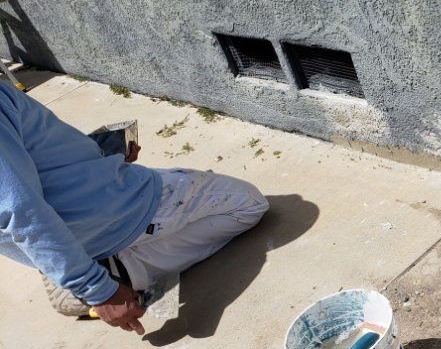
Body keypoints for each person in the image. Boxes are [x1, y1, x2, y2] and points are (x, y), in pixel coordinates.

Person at [0, 81, 269, 335]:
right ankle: (118, 269)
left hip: (66, 230)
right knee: (248, 204)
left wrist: (99, 155)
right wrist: (98, 290)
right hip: (113, 210)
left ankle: (69, 262)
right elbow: (21, 210)